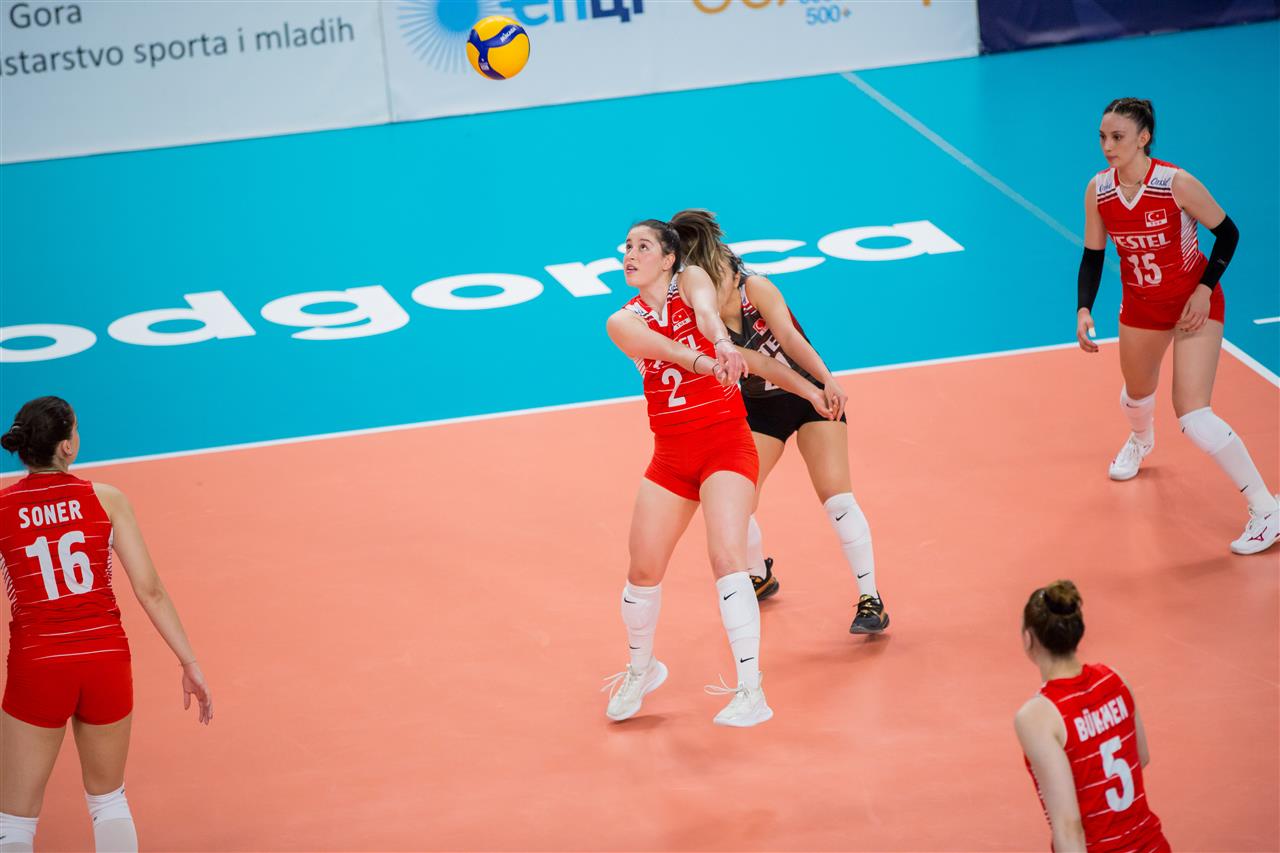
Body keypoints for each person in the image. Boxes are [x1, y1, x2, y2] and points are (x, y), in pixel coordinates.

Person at [601, 219, 832, 728]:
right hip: (670, 457)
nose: (629, 255)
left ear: (668, 258)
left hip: (726, 444)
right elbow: (666, 350)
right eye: (627, 247)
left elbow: (708, 315)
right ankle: (642, 670)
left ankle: (751, 689)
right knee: (642, 572)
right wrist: (709, 363)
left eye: (643, 246)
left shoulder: (691, 281)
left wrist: (723, 343)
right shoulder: (621, 321)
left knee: (727, 557)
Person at [0, 397, 212, 853]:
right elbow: (150, 590)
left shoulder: (3, 508)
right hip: (105, 660)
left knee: (14, 821)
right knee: (108, 800)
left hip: (39, 664)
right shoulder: (106, 498)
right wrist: (189, 662)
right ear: (67, 447)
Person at [670, 209, 888, 633]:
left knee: (837, 498)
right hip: (761, 408)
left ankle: (871, 599)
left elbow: (789, 339)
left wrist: (825, 382)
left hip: (809, 396)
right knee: (735, 503)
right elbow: (763, 366)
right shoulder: (702, 319)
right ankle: (759, 575)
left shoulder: (756, 288)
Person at [1077, 97, 1277, 555]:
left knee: (1194, 415)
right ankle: (1141, 439)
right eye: (1103, 137)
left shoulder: (1174, 184)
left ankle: (1266, 508)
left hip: (1192, 305)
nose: (1108, 146)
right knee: (1135, 394)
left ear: (1143, 137)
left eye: (1118, 137)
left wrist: (1204, 289)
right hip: (1141, 307)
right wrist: (1084, 308)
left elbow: (1228, 233)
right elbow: (1093, 255)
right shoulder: (1099, 190)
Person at [1015, 580, 1169, 853]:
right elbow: (1141, 756)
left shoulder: (1038, 717)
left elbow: (1069, 827)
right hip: (1153, 845)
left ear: (1028, 638)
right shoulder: (1114, 679)